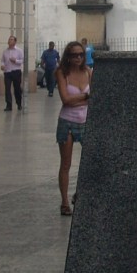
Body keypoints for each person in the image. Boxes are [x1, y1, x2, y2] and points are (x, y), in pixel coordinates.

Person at [55, 41, 92, 216]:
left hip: (85, 120)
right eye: (74, 55)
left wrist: (78, 98)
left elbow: (95, 98)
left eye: (81, 55)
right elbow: (65, 100)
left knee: (90, 161)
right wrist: (86, 96)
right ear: (67, 57)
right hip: (67, 121)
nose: (78, 58)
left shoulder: (89, 72)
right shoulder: (62, 73)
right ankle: (64, 201)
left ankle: (80, 193)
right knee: (66, 163)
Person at [0, 35, 23, 112]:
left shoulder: (19, 51)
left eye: (11, 39)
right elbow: (2, 60)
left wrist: (15, 61)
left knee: (17, 89)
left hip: (16, 71)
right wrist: (2, 65)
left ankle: (19, 103)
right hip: (7, 72)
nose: (9, 41)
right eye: (9, 39)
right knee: (7, 89)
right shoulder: (5, 51)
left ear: (15, 42)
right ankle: (8, 105)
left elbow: (22, 61)